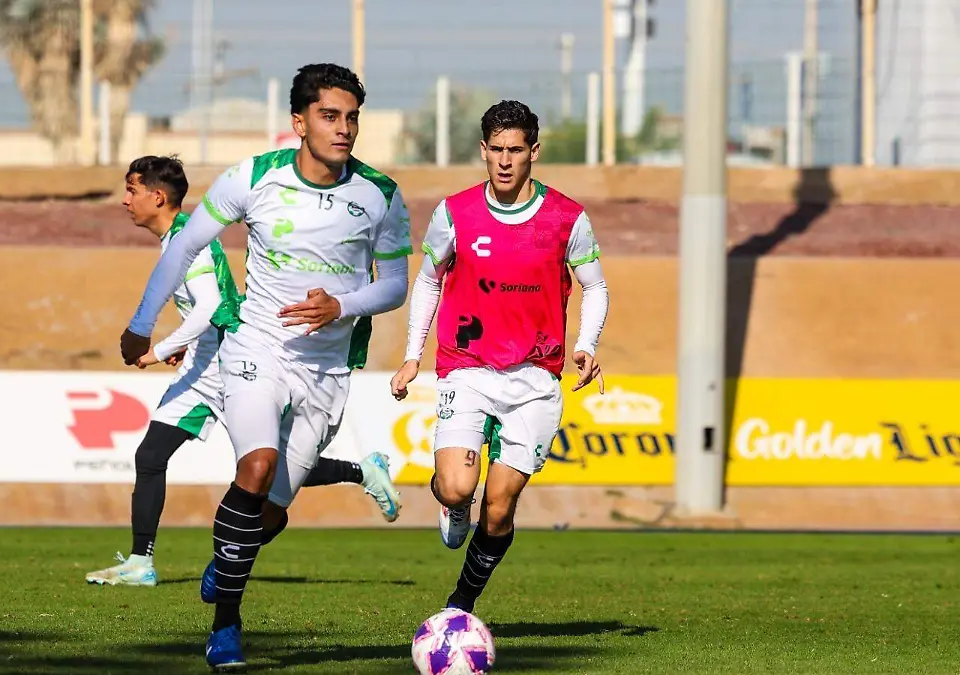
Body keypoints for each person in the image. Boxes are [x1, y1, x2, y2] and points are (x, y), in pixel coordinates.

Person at [117, 64, 412, 670]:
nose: (344, 128)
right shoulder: (252, 177)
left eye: (352, 117)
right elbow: (185, 244)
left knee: (272, 511)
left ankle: (224, 565)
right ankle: (226, 626)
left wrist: (341, 305)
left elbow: (394, 286)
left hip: (326, 369)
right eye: (329, 116)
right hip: (257, 348)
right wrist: (142, 322)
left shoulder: (380, 194)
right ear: (299, 122)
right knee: (256, 466)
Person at [87, 155, 403, 590]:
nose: (125, 200)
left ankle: (355, 475)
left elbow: (211, 305)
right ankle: (142, 562)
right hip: (207, 360)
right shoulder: (177, 239)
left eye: (132, 190)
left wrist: (160, 349)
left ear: (157, 197)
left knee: (259, 469)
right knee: (163, 456)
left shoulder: (186, 240)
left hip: (226, 364)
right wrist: (183, 342)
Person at [389, 100, 609, 614]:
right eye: (496, 150)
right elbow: (428, 281)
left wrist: (586, 345)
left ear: (534, 152)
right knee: (456, 487)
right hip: (468, 368)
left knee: (500, 507)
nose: (505, 160)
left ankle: (461, 605)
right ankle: (453, 503)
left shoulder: (567, 218)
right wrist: (412, 355)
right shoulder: (455, 213)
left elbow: (596, 287)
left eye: (515, 150)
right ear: (483, 151)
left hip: (535, 377)